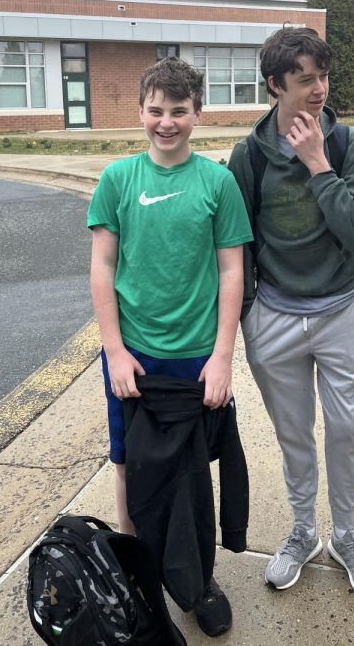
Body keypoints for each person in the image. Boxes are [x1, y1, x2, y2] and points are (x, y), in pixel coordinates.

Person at [88, 56, 253, 636]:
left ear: (197, 114)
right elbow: (103, 266)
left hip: (194, 357)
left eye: (178, 111)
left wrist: (222, 357)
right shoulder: (118, 180)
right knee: (129, 463)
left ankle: (194, 578)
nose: (166, 122)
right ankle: (133, 570)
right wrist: (114, 350)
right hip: (135, 353)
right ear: (140, 112)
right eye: (155, 111)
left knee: (187, 472)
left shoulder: (217, 182)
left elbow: (231, 272)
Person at [227, 26, 354, 598]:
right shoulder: (248, 156)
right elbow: (237, 244)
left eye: (323, 76)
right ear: (275, 85)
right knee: (293, 432)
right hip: (274, 313)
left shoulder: (349, 144)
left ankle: (346, 534)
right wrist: (245, 317)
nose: (319, 89)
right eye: (305, 79)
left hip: (343, 307)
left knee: (346, 428)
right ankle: (303, 530)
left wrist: (319, 164)